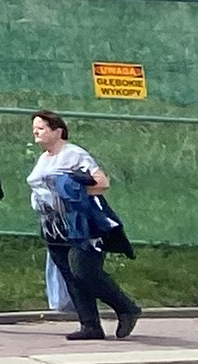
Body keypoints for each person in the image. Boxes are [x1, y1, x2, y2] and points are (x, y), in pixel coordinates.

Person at [28, 110, 139, 342]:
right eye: (34, 129)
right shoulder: (44, 158)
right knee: (70, 275)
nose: (35, 132)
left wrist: (74, 194)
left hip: (80, 225)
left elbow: (102, 183)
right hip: (52, 226)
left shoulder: (73, 154)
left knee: (83, 269)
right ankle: (90, 325)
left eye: (41, 128)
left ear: (57, 131)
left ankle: (126, 307)